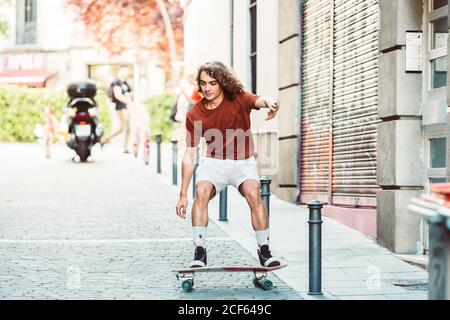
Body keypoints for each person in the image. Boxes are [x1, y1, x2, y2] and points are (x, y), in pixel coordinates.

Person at [175, 61, 281, 268]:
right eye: (203, 83)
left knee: (253, 192)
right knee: (201, 191)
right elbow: (189, 155)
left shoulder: (239, 99)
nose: (206, 88)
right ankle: (200, 252)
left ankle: (264, 251)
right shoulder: (194, 114)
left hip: (243, 163)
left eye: (212, 83)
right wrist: (182, 194)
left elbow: (260, 101)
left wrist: (271, 104)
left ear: (222, 83)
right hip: (213, 162)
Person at [101, 66, 133, 153]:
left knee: (126, 128)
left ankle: (124, 147)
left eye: (126, 71)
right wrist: (129, 101)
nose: (125, 73)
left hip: (126, 107)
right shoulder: (116, 82)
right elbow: (118, 95)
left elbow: (129, 94)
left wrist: (129, 98)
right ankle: (105, 139)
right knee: (123, 128)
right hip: (120, 107)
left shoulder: (125, 83)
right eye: (123, 71)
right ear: (119, 72)